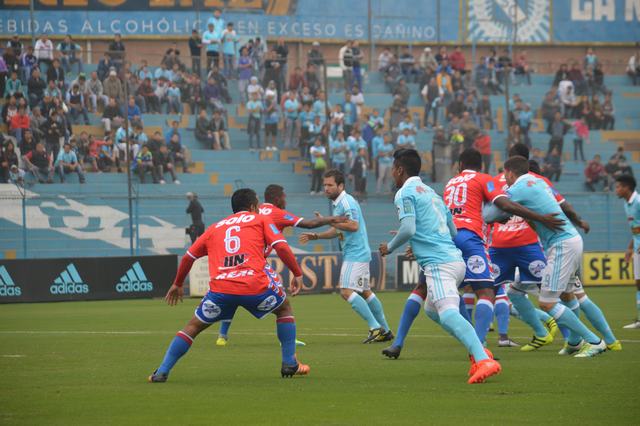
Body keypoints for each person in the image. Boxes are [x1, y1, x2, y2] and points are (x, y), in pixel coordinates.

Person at [148, 188, 309, 382]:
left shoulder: (215, 228)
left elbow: (188, 257)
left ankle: (161, 371)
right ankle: (289, 363)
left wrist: (178, 283)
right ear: (253, 206)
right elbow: (281, 246)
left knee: (193, 326)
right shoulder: (260, 219)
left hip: (221, 289)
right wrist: (297, 273)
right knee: (284, 309)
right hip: (254, 286)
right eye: (257, 206)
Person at [378, 149, 501, 384]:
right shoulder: (432, 194)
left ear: (400, 170)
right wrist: (424, 241)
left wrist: (389, 247)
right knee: (432, 310)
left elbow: (408, 229)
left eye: (393, 169)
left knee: (448, 313)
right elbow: (452, 231)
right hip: (455, 261)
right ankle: (478, 350)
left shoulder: (404, 193)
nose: (392, 173)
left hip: (438, 264)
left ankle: (483, 358)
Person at [486, 157, 619, 357]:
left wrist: (495, 207)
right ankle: (574, 342)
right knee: (567, 295)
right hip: (570, 240)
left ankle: (594, 341)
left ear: (510, 172)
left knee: (547, 302)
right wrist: (577, 221)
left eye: (505, 174)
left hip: (562, 245)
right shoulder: (538, 182)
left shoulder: (518, 188)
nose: (505, 178)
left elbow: (490, 214)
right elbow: (559, 206)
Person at [216, 184, 347, 346]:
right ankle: (288, 338)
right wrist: (334, 219)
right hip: (256, 261)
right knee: (282, 301)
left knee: (232, 293)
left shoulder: (254, 210)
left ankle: (222, 335)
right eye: (284, 197)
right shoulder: (276, 213)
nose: (285, 200)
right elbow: (309, 224)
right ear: (277, 198)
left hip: (237, 258)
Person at [299, 169, 393, 343]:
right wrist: (317, 236)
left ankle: (375, 327)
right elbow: (338, 230)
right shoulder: (339, 204)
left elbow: (353, 225)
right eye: (324, 185)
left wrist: (328, 220)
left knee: (345, 291)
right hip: (358, 253)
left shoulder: (346, 202)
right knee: (365, 292)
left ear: (341, 186)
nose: (326, 188)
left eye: (330, 185)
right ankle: (386, 331)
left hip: (355, 254)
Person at [615, 175, 640, 329]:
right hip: (637, 247)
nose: (616, 190)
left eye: (618, 187)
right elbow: (636, 229)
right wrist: (630, 247)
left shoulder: (638, 201)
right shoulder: (627, 204)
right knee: (638, 283)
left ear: (627, 187)